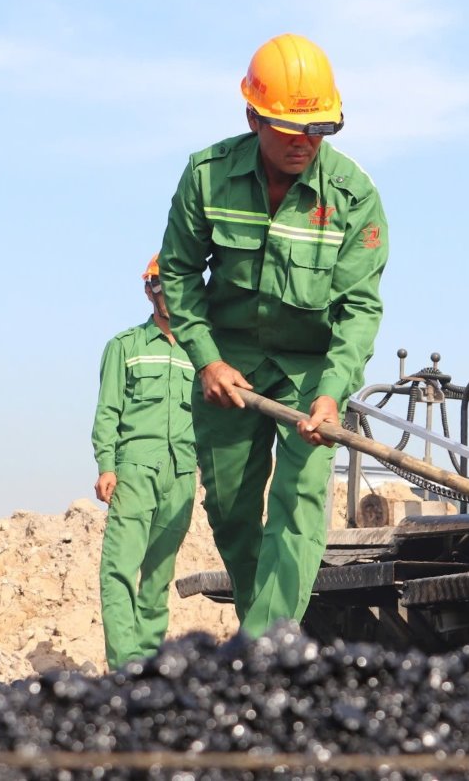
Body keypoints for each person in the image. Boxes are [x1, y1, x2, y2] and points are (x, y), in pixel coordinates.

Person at [158, 33, 389, 640]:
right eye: (289, 128)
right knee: (233, 513)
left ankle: (263, 648)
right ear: (252, 117)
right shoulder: (206, 178)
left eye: (318, 129)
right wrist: (205, 360)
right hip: (228, 372)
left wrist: (333, 393)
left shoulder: (352, 198)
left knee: (299, 498)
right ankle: (269, 638)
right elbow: (178, 272)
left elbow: (358, 308)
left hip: (310, 373)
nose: (303, 142)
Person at [91, 254, 198, 668]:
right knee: (119, 569)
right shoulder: (125, 347)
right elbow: (107, 412)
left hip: (182, 471)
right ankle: (124, 668)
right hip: (135, 470)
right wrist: (106, 465)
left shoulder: (199, 352)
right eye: (160, 284)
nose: (167, 293)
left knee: (158, 577)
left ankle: (148, 667)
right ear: (149, 289)